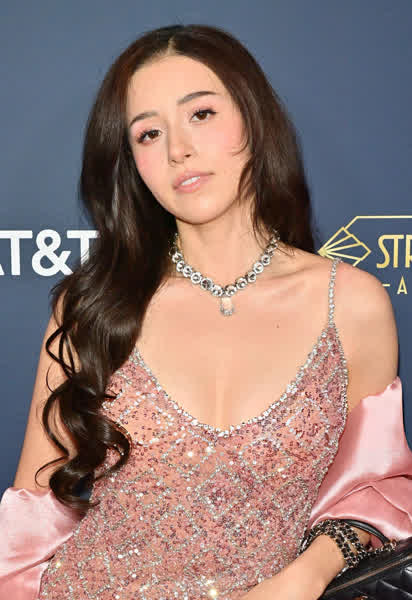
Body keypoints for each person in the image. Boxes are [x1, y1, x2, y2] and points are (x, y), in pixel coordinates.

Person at [1, 23, 411, 600]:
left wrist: (305, 576)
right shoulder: (93, 306)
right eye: (148, 133)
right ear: (131, 161)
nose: (178, 150)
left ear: (254, 119)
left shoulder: (350, 303)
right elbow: (31, 516)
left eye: (201, 114)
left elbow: (373, 489)